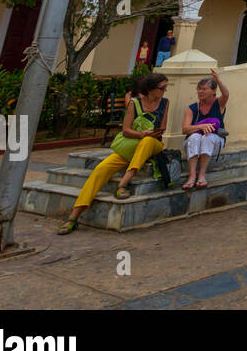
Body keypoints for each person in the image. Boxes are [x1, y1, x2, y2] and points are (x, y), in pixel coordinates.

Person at [58, 73, 169, 234]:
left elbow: (162, 129)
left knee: (147, 142)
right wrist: (141, 134)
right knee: (100, 170)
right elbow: (126, 131)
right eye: (162, 88)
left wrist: (151, 134)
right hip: (131, 146)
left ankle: (123, 183)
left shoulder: (165, 103)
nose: (165, 90)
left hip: (153, 144)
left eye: (166, 87)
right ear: (151, 89)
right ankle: (74, 216)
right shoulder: (134, 103)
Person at [182, 69, 229, 189]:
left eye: (204, 89)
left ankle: (202, 174)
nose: (200, 91)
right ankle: (192, 175)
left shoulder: (219, 103)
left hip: (214, 141)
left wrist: (217, 79)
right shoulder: (192, 108)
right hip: (194, 141)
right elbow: (185, 129)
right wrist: (200, 126)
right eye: (199, 89)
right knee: (195, 137)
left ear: (213, 91)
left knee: (208, 137)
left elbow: (226, 94)